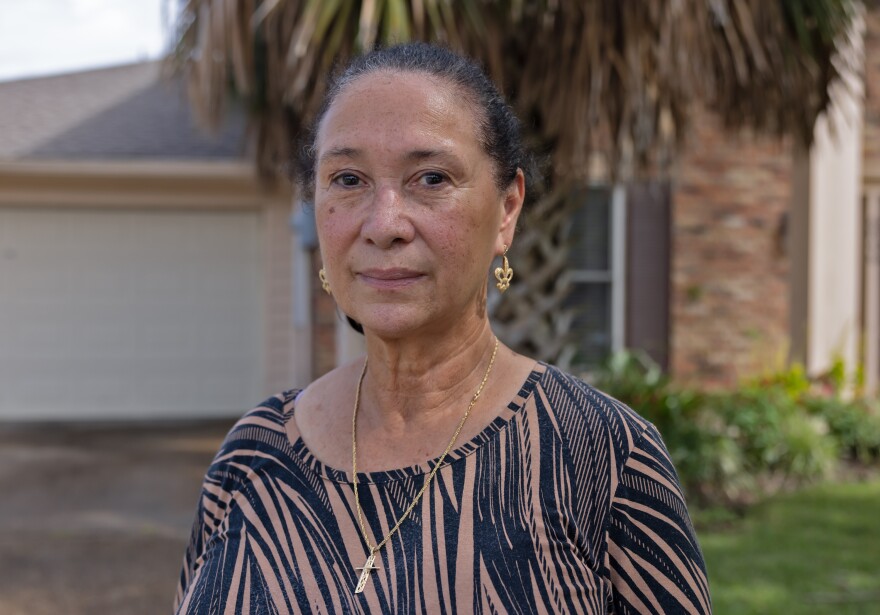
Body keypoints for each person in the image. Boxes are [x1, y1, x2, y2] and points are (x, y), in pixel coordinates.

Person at [174, 42, 711, 614]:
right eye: (348, 179)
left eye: (431, 178)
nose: (383, 225)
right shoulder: (251, 456)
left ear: (507, 210)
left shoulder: (604, 457)